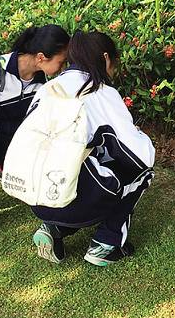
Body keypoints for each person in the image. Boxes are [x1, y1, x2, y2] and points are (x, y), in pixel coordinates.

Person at [29, 31, 155, 267]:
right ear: (105, 58)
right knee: (142, 172)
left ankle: (54, 227)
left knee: (82, 159)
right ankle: (106, 243)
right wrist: (140, 137)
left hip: (36, 195)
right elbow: (140, 155)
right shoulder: (100, 91)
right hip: (74, 197)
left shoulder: (48, 88)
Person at [0, 25, 70, 249]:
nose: (63, 66)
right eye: (61, 60)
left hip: (21, 142)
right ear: (41, 57)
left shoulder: (45, 81)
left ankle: (7, 168)